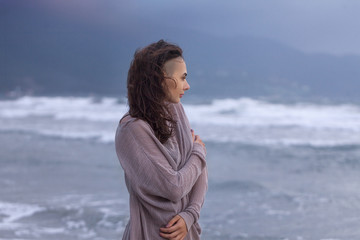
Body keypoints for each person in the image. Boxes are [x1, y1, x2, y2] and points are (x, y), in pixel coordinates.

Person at [115, 39, 208, 240]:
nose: (187, 85)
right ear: (160, 78)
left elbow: (200, 173)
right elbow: (173, 187)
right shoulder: (132, 129)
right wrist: (199, 152)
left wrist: (189, 215)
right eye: (182, 78)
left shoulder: (176, 112)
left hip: (186, 234)